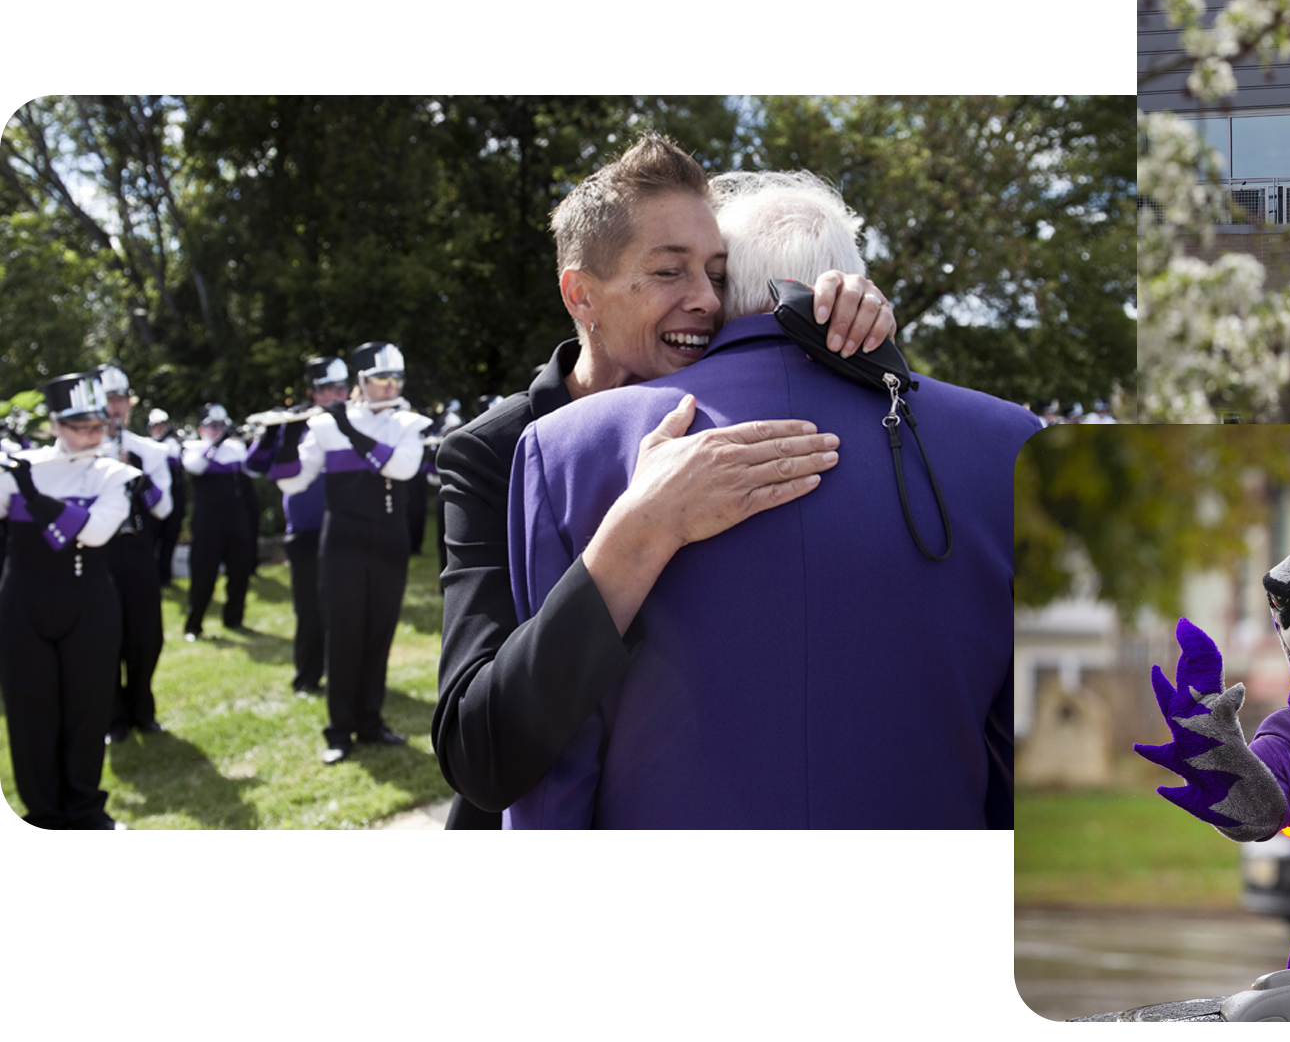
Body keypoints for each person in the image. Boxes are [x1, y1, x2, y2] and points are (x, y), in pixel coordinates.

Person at [504, 171, 1038, 829]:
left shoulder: (567, 446)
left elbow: (556, 753)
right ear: (850, 284)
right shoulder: (1012, 444)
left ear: (725, 287)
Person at [432, 133, 895, 831]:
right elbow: (478, 751)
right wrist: (640, 530)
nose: (708, 301)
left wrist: (863, 329)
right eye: (669, 272)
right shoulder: (490, 454)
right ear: (581, 294)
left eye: (716, 272)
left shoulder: (737, 422)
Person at [274, 343, 430, 764]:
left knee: (380, 632)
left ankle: (370, 720)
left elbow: (401, 469)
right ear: (362, 382)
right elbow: (291, 482)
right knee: (343, 634)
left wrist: (351, 431)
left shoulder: (407, 422)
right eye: (382, 380)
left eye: (396, 379)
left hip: (389, 540)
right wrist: (287, 442)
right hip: (342, 541)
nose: (390, 387)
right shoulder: (325, 426)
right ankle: (338, 730)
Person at [0, 372, 140, 829]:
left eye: (97, 425)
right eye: (80, 426)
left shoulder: (114, 473)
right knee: (30, 713)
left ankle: (85, 810)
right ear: (57, 424)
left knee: (87, 709)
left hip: (89, 605)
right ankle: (42, 816)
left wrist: (34, 496)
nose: (91, 435)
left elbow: (97, 533)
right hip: (24, 605)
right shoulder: (20, 467)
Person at [245, 355, 349, 696]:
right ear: (313, 392)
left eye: (341, 388)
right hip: (306, 530)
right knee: (309, 609)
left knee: (346, 609)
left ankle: (345, 676)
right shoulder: (298, 422)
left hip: (347, 528)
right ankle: (307, 677)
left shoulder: (354, 420)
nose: (336, 395)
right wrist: (277, 433)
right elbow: (255, 466)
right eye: (327, 389)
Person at [94, 365, 176, 741]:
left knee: (146, 635)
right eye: (108, 400)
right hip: (100, 552)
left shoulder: (148, 450)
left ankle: (142, 707)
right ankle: (113, 716)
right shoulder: (84, 454)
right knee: (105, 633)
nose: (115, 408)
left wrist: (141, 481)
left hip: (137, 548)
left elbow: (163, 508)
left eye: (120, 400)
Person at [181, 403, 257, 638]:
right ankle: (194, 624)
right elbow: (195, 467)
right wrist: (218, 441)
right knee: (204, 572)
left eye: (221, 426)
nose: (218, 430)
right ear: (201, 428)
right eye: (212, 426)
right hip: (207, 520)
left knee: (240, 568)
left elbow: (254, 469)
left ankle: (234, 618)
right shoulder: (194, 448)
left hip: (234, 516)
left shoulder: (235, 449)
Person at [146, 409, 186, 589]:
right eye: (157, 426)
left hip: (175, 496)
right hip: (155, 496)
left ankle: (166, 575)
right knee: (153, 537)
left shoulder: (175, 444)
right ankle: (151, 574)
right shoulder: (148, 446)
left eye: (164, 425)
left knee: (171, 536)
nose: (161, 429)